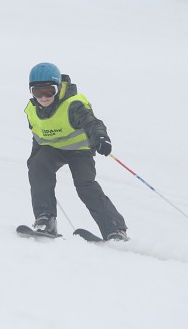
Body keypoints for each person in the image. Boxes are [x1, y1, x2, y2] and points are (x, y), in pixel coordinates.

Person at [24, 62, 128, 241]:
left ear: (58, 88)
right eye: (37, 92)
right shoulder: (32, 110)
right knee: (38, 168)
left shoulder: (73, 104)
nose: (43, 97)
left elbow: (92, 123)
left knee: (85, 185)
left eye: (49, 91)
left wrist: (100, 138)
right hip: (54, 150)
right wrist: (34, 160)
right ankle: (46, 220)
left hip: (80, 150)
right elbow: (38, 137)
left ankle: (115, 230)